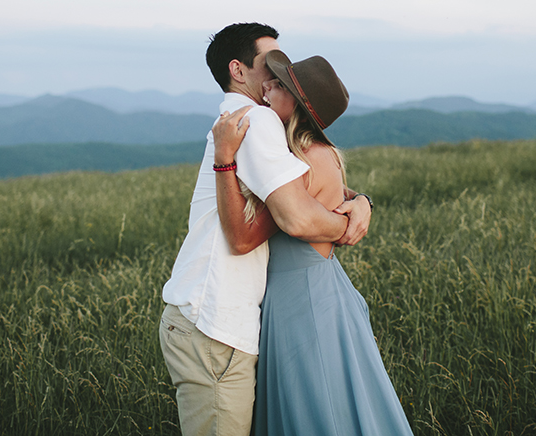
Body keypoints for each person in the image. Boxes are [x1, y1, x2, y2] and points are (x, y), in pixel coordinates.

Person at [159, 23, 373, 436]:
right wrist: (347, 223)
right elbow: (294, 218)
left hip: (214, 320)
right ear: (238, 71)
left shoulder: (247, 121)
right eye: (268, 66)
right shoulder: (255, 120)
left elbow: (310, 187)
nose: (277, 75)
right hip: (214, 323)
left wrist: (360, 199)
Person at [212, 50, 414, 436]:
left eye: (281, 85)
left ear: (300, 106)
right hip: (305, 294)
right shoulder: (308, 156)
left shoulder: (308, 160)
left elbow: (248, 232)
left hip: (304, 302)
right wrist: (361, 201)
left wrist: (225, 159)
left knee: (317, 409)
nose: (268, 86)